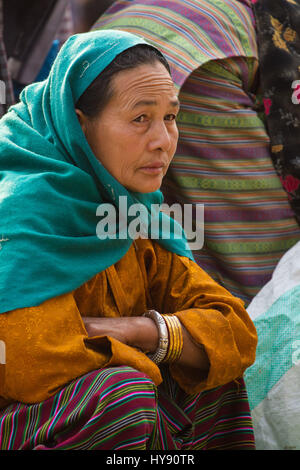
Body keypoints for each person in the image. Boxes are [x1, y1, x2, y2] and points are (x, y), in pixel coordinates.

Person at [0, 29, 257, 450]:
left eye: (170, 117)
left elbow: (236, 331)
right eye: (141, 119)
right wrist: (165, 356)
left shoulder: (131, 214)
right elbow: (28, 360)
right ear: (78, 125)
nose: (163, 140)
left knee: (216, 375)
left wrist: (142, 332)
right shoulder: (19, 215)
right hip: (16, 422)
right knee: (127, 396)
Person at [92, 0, 300, 306]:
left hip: (117, 40)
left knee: (129, 231)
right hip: (195, 57)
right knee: (268, 283)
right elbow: (265, 257)